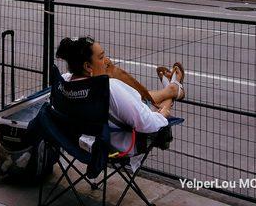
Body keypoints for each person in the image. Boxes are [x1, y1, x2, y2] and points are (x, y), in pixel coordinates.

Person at [56, 36, 185, 156]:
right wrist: (163, 116)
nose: (107, 61)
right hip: (115, 147)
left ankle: (172, 89)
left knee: (133, 98)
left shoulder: (64, 82)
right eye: (101, 58)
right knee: (159, 112)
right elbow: (146, 123)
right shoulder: (108, 88)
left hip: (77, 144)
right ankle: (174, 89)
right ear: (88, 66)